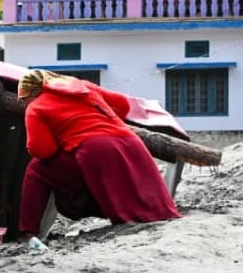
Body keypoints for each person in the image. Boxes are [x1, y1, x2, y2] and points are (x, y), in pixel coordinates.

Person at [15, 70, 181, 247]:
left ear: (31, 93)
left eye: (23, 100)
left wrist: (64, 136)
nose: (24, 104)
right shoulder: (82, 87)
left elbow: (42, 150)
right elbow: (123, 105)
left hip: (96, 149)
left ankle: (27, 233)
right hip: (132, 144)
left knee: (36, 169)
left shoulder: (36, 107)